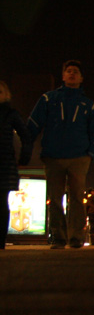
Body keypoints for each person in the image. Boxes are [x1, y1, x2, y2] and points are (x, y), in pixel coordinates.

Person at [25, 60, 94, 249]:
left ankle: (76, 237)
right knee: (55, 197)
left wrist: (90, 154)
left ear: (81, 77)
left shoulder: (88, 105)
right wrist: (26, 145)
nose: (71, 74)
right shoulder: (48, 99)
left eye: (75, 72)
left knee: (77, 197)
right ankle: (58, 237)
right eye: (68, 71)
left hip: (79, 158)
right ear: (63, 76)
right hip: (53, 156)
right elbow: (34, 124)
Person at [0, 81, 32, 250]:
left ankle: (0, 241)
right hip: (6, 162)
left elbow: (25, 135)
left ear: (5, 95)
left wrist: (24, 157)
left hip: (4, 163)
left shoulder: (11, 114)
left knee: (1, 202)